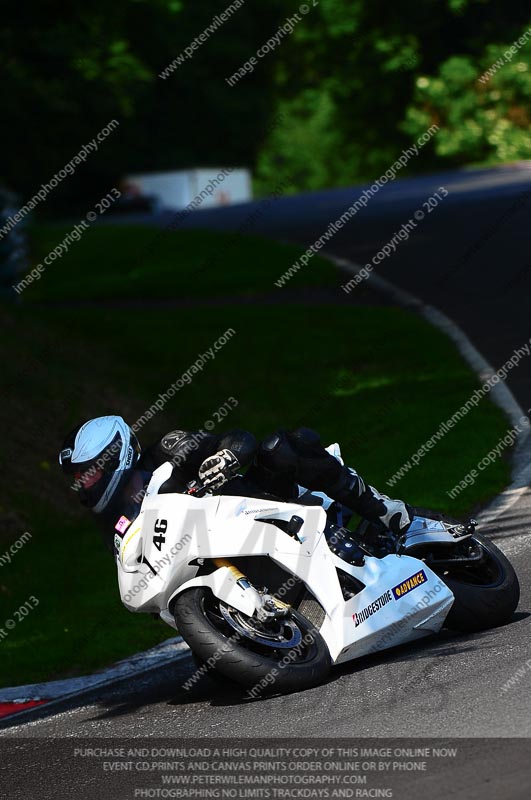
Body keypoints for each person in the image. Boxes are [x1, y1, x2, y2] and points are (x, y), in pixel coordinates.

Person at [59, 415, 412, 554]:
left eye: (87, 473)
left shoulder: (167, 450)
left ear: (114, 454)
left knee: (278, 448)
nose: (83, 485)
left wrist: (225, 457)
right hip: (219, 551)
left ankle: (383, 510)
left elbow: (237, 437)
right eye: (79, 478)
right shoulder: (114, 524)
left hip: (264, 501)